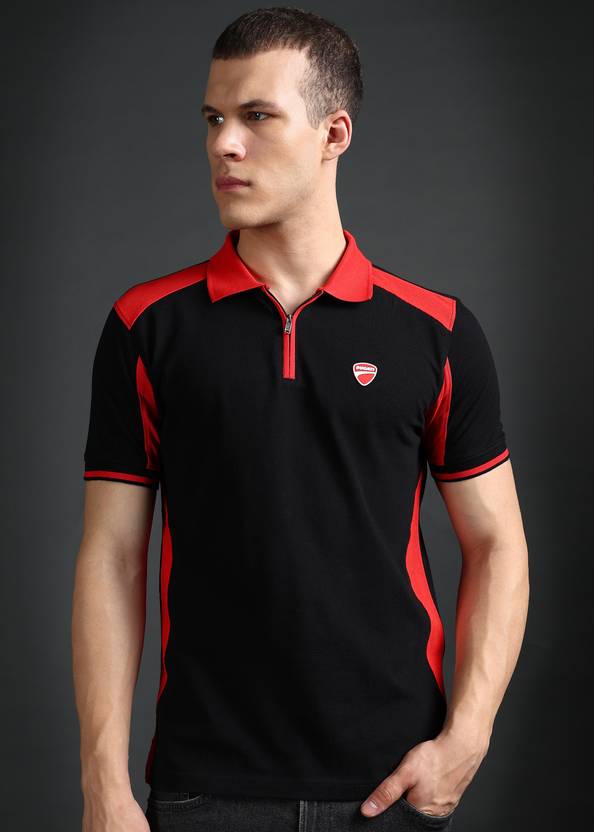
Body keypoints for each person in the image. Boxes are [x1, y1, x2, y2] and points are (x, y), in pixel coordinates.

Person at [72, 7, 529, 832]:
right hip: (205, 788)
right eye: (213, 118)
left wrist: (468, 736)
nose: (224, 144)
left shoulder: (436, 331)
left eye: (256, 116)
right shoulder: (147, 326)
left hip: (391, 785)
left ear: (334, 134)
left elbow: (498, 543)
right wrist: (102, 785)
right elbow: (111, 558)